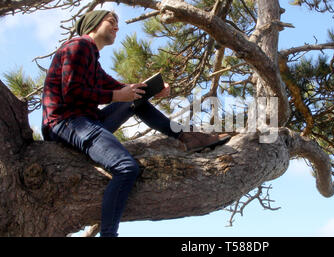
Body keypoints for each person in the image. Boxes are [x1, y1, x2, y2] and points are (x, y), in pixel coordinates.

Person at [41, 10, 230, 237]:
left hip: (86, 120)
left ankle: (188, 137)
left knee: (136, 99)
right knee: (126, 168)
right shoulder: (79, 46)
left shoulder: (92, 57)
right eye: (111, 21)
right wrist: (116, 96)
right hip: (65, 122)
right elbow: (72, 92)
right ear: (92, 24)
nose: (116, 27)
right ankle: (109, 234)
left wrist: (151, 90)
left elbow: (122, 89)